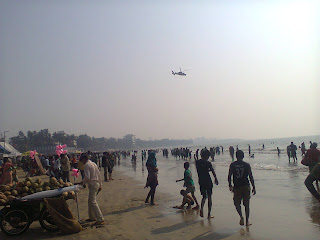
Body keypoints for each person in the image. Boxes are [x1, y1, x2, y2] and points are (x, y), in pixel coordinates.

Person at [228, 150, 256, 226]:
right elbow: (250, 176)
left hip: (237, 187)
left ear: (236, 156)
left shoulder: (233, 165)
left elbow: (229, 175)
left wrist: (230, 185)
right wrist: (254, 186)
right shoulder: (246, 165)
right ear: (243, 156)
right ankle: (247, 221)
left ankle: (241, 216)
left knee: (237, 203)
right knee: (246, 205)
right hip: (246, 186)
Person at [79, 154, 104, 226]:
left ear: (84, 159)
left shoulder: (87, 165)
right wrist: (100, 184)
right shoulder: (93, 163)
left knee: (93, 201)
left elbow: (87, 177)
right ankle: (92, 217)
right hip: (96, 184)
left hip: (93, 184)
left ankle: (100, 219)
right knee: (90, 201)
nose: (82, 162)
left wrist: (82, 182)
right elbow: (99, 174)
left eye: (82, 161)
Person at [195, 149, 219, 219]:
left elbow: (200, 168)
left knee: (204, 197)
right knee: (209, 197)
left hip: (201, 181)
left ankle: (201, 209)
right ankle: (209, 214)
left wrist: (196, 153)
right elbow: (212, 171)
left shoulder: (197, 162)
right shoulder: (208, 163)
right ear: (207, 156)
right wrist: (216, 178)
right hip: (208, 181)